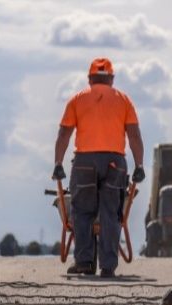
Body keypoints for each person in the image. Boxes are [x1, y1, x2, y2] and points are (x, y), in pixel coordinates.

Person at [51, 57, 145, 278]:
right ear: (111, 78)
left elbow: (64, 133)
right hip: (115, 163)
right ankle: (108, 266)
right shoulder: (124, 101)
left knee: (82, 212)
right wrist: (139, 165)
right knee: (111, 214)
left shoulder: (77, 99)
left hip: (84, 162)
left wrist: (57, 163)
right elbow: (134, 135)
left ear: (90, 78)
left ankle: (84, 262)